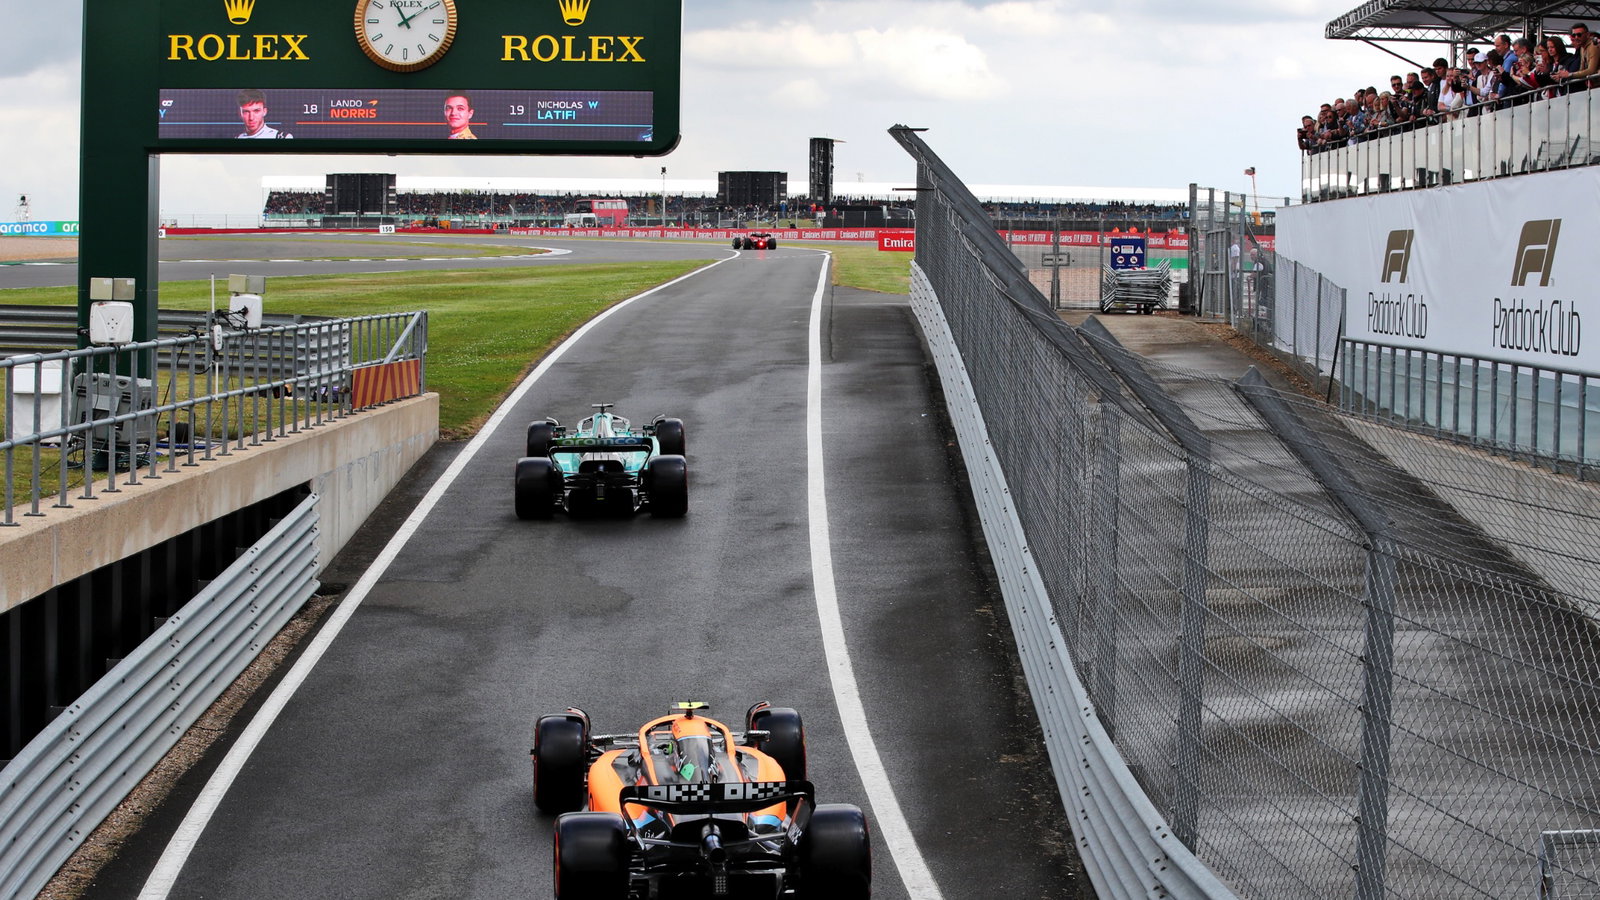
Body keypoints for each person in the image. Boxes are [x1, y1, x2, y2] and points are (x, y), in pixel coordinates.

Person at [1557, 23, 1600, 89]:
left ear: (1587, 35)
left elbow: (1591, 70)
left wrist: (1570, 75)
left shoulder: (1593, 46)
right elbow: (1582, 69)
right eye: (1574, 35)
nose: (1576, 37)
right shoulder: (1582, 47)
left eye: (1579, 35)